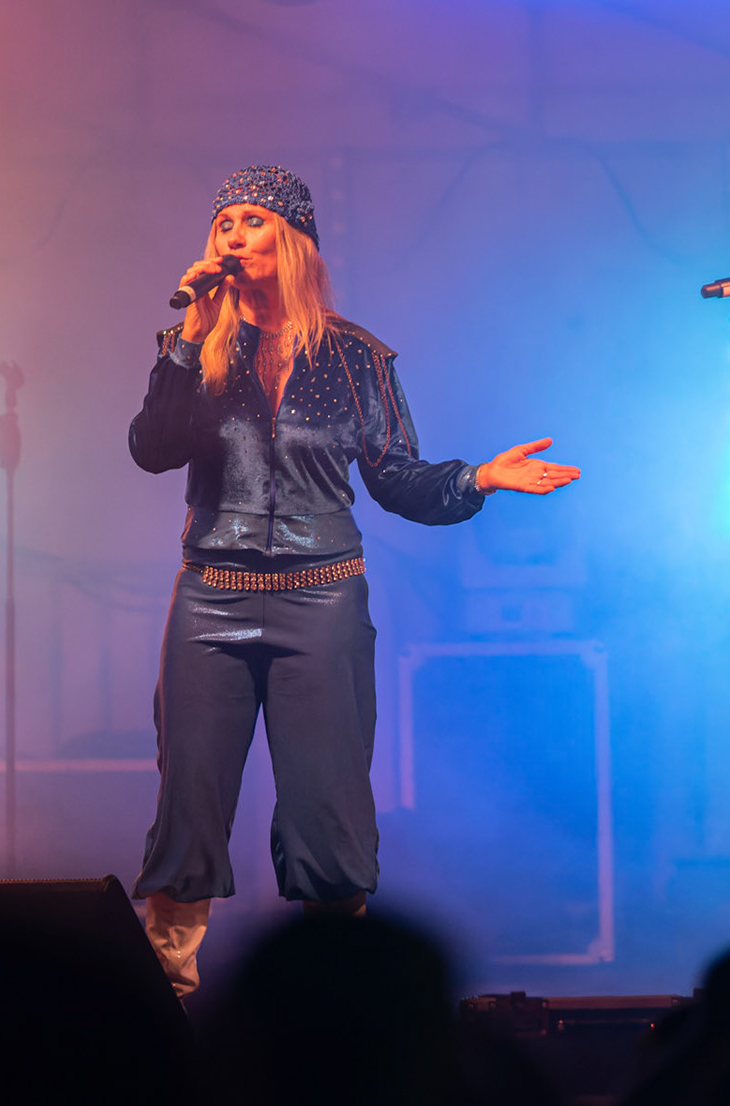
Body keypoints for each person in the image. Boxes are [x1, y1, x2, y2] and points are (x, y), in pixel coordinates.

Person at [128, 165, 579, 994]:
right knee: (189, 797)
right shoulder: (191, 351)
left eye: (253, 220)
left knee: (326, 810)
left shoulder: (357, 356)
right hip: (210, 597)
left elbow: (397, 480)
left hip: (321, 596)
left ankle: (336, 1011)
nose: (233, 234)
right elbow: (153, 448)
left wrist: (478, 477)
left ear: (292, 239)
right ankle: (168, 998)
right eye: (223, 220)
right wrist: (188, 339)